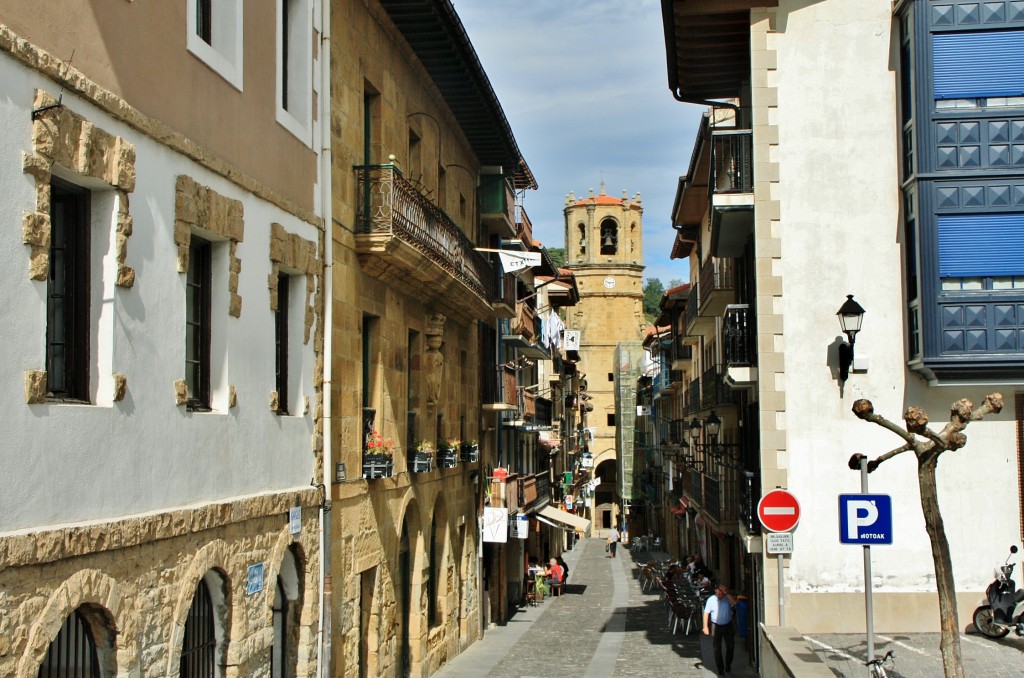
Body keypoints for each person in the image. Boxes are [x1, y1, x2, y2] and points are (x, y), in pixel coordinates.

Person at [702, 583, 737, 676]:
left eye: (722, 591)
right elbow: (706, 613)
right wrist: (705, 626)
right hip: (716, 626)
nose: (720, 593)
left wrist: (727, 593)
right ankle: (720, 669)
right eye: (719, 591)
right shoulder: (711, 600)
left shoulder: (727, 598)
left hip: (728, 625)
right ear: (715, 590)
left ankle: (728, 663)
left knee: (731, 646)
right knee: (717, 649)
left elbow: (734, 603)